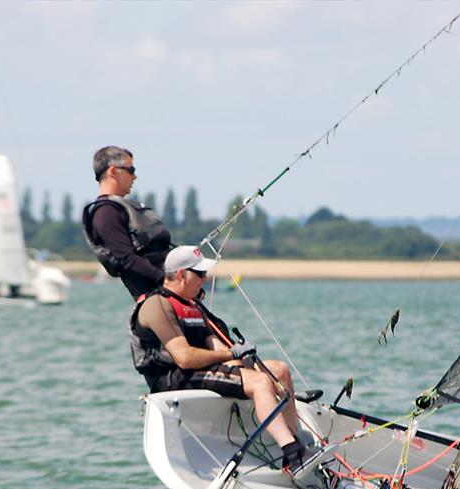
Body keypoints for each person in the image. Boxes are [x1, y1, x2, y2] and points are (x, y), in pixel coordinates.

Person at [130, 244, 306, 472]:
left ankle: (294, 447)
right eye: (201, 274)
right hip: (172, 378)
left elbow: (216, 347)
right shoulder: (157, 305)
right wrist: (230, 356)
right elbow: (184, 358)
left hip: (197, 369)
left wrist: (239, 357)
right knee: (260, 383)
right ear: (182, 275)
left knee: (278, 371)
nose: (205, 279)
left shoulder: (191, 305)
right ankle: (293, 452)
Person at [82, 146, 172, 299]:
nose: (134, 177)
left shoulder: (122, 208)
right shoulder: (105, 213)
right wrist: (167, 280)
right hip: (156, 295)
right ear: (113, 172)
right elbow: (127, 259)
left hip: (171, 291)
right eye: (131, 170)